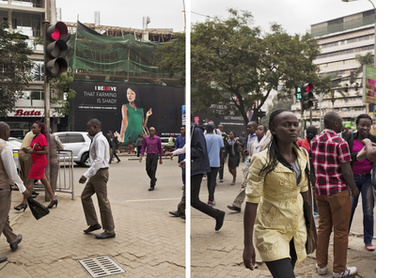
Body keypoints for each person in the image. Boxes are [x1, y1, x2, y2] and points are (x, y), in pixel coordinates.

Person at [243, 109, 313, 277]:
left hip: (297, 228)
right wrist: (248, 244)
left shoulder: (302, 155)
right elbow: (252, 201)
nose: (292, 129)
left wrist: (311, 225)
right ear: (273, 129)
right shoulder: (261, 160)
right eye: (286, 125)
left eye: (295, 124)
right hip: (271, 230)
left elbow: (305, 190)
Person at [310, 112, 359, 277]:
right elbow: (346, 170)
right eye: (341, 121)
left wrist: (314, 184)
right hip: (338, 191)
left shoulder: (314, 140)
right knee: (340, 231)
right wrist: (353, 188)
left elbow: (312, 166)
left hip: (321, 191)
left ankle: (321, 265)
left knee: (323, 228)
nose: (342, 123)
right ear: (336, 124)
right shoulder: (340, 142)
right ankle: (339, 269)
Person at [79, 118, 116, 239]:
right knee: (85, 196)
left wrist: (86, 174)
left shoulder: (99, 139)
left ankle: (110, 230)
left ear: (95, 127)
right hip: (97, 173)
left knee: (103, 202)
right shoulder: (96, 138)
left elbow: (99, 160)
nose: (88, 130)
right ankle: (94, 223)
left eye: (89, 128)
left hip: (100, 173)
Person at [0, 122, 31, 263]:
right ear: (4, 132)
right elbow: (12, 173)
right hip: (2, 188)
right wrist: (23, 189)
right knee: (1, 218)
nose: (9, 133)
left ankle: (13, 240)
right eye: (8, 131)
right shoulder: (5, 148)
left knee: (3, 215)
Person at [345, 114, 376, 252]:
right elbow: (344, 158)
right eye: (362, 125)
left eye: (368, 125)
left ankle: (368, 240)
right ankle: (343, 238)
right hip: (353, 178)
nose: (365, 128)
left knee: (368, 211)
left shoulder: (374, 140)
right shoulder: (349, 139)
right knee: (349, 210)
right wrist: (358, 157)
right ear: (357, 125)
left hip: (368, 179)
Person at [14, 121, 58, 211]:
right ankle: (53, 199)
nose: (33, 129)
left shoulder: (42, 137)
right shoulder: (35, 137)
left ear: (40, 128)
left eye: (35, 128)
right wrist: (30, 150)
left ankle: (24, 203)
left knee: (29, 182)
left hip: (39, 162)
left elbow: (46, 151)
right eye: (32, 128)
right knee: (44, 181)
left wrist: (33, 152)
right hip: (36, 161)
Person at [227, 124, 270, 212]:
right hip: (250, 166)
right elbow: (250, 154)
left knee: (262, 188)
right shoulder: (252, 142)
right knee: (244, 184)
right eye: (257, 129)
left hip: (262, 168)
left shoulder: (268, 142)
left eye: (260, 129)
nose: (258, 131)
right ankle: (237, 204)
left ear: (264, 131)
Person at [191, 123, 225, 231]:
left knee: (193, 199)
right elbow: (221, 150)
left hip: (200, 166)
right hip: (213, 162)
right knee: (212, 182)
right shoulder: (216, 137)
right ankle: (211, 199)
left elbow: (199, 150)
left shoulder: (197, 132)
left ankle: (217, 213)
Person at [296, 125, 319, 215]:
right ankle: (315, 209)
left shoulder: (300, 142)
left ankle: (307, 209)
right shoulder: (317, 142)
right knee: (314, 190)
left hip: (301, 170)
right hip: (313, 170)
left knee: (304, 190)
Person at [205, 122, 224, 206]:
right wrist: (221, 162)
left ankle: (210, 197)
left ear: (207, 129)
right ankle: (211, 198)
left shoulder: (204, 137)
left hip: (206, 162)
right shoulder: (219, 137)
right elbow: (221, 150)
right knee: (213, 180)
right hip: (215, 162)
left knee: (209, 180)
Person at [165, 144, 186, 219]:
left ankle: (217, 214)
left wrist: (185, 161)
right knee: (187, 190)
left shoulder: (196, 138)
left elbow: (195, 153)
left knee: (192, 196)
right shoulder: (190, 139)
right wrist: (172, 153)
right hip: (187, 166)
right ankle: (181, 211)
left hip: (193, 168)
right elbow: (183, 149)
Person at [140, 127, 163, 191]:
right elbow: (143, 147)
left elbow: (160, 148)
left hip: (155, 156)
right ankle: (154, 179)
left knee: (153, 170)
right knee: (147, 169)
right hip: (148, 156)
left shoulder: (158, 139)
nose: (151, 132)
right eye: (150, 131)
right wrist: (141, 156)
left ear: (154, 131)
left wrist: (161, 158)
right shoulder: (146, 138)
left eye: (152, 131)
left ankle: (152, 185)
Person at [48, 128, 64, 194]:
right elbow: (61, 147)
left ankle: (47, 191)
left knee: (45, 176)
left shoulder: (42, 137)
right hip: (53, 159)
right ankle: (53, 191)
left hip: (44, 160)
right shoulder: (54, 137)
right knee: (53, 176)